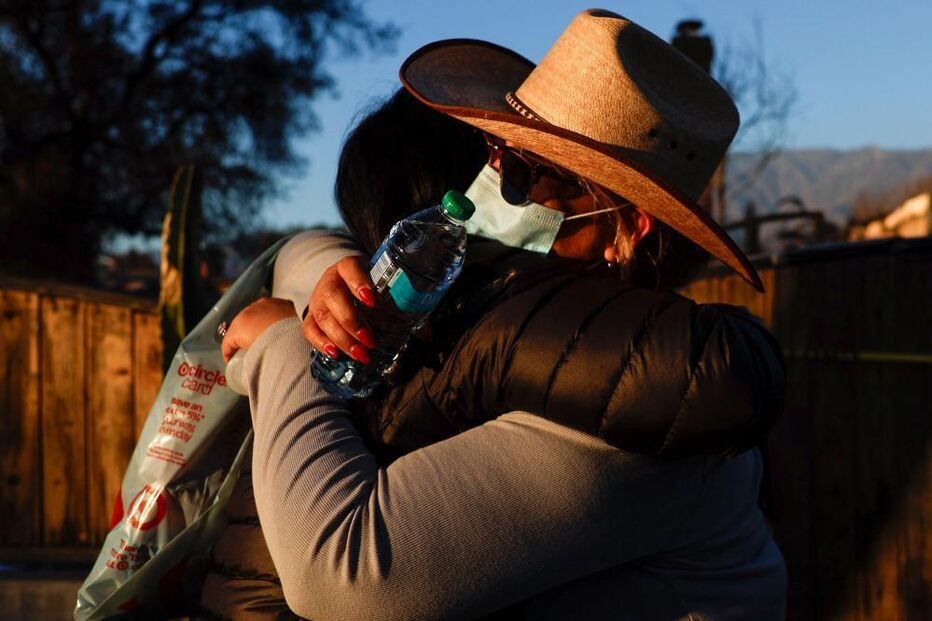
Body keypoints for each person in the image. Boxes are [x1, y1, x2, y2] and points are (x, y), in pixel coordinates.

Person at [215, 10, 786, 620]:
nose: (492, 182)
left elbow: (340, 574)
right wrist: (329, 293)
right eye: (497, 152)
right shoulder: (528, 334)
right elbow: (313, 248)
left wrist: (284, 344)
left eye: (532, 173)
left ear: (626, 230)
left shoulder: (631, 402)